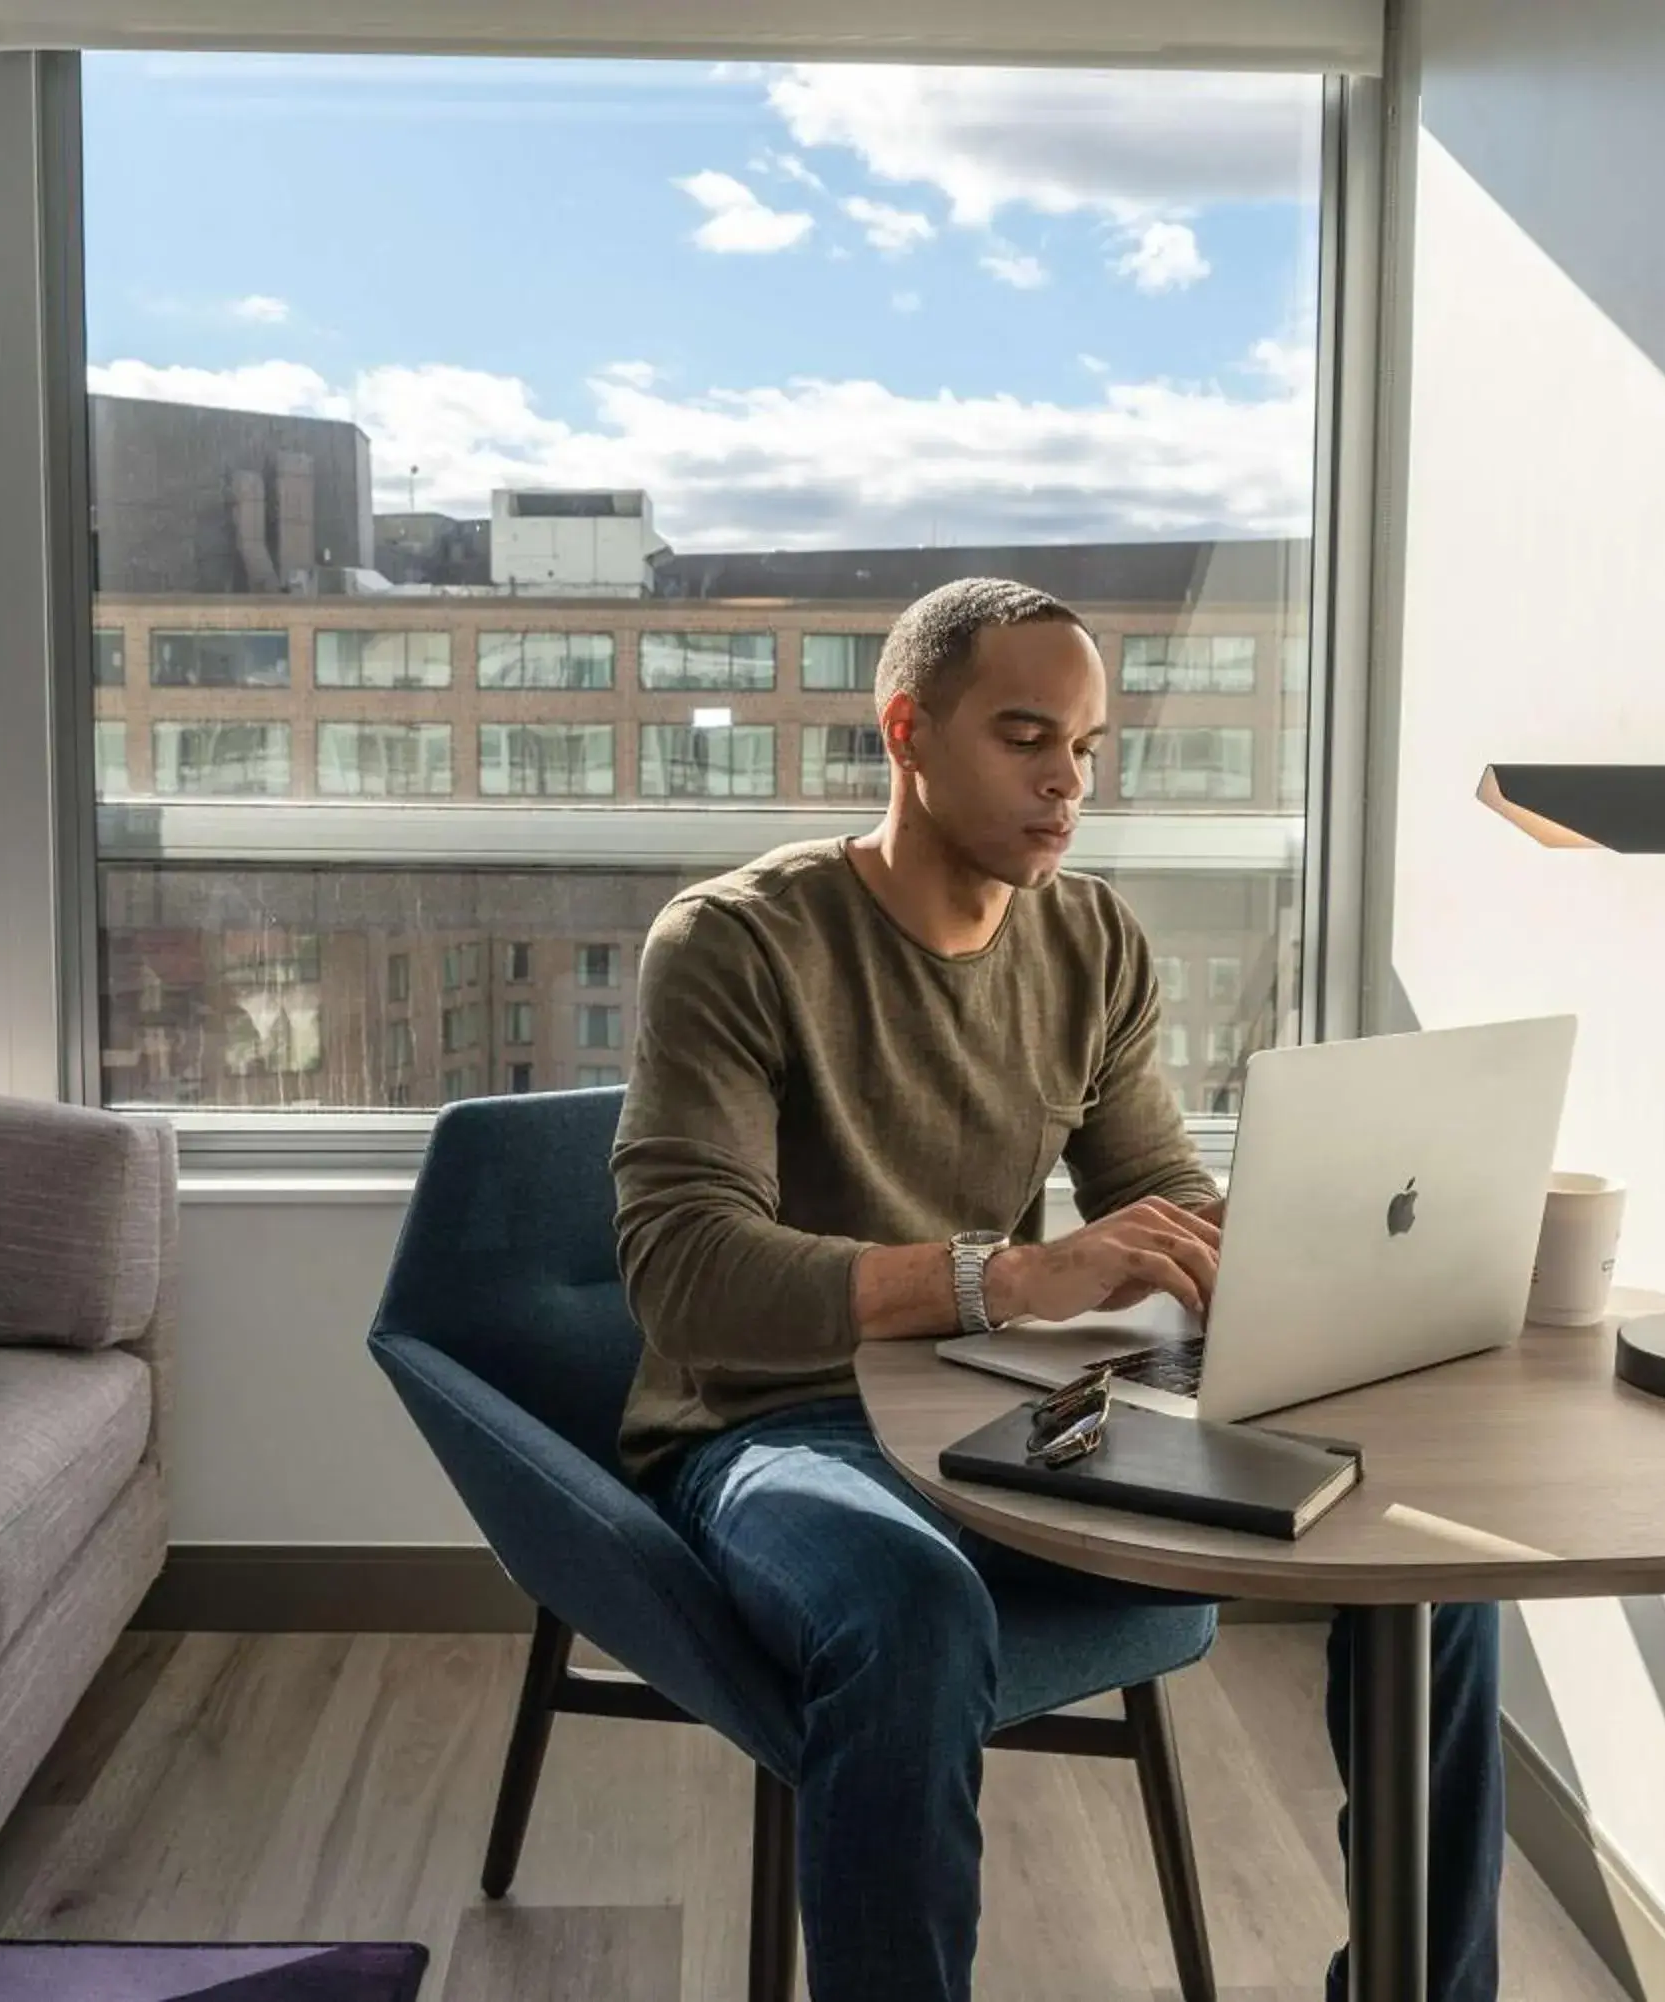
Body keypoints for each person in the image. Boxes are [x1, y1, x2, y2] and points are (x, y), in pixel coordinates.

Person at [610, 577, 1503, 2002]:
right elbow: (688, 1278)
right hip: (774, 1426)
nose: (1066, 782)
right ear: (908, 730)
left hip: (1016, 1417)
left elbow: (1157, 1193)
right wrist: (1008, 1274)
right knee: (911, 1604)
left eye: (1087, 748)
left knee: (1428, 1562)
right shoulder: (735, 941)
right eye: (1027, 736)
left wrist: (1322, 1256)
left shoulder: (1092, 943)